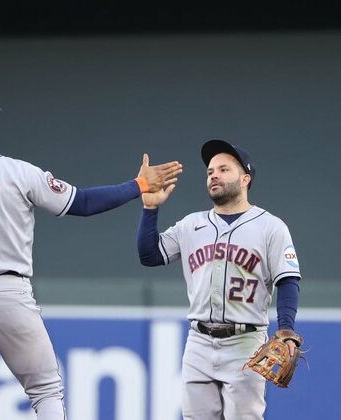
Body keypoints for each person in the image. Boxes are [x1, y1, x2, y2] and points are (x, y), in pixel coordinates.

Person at [0, 85, 182, 419]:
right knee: (45, 390)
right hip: (7, 291)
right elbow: (81, 203)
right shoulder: (17, 172)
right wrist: (138, 185)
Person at [137, 139, 302, 420]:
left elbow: (287, 280)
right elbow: (150, 255)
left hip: (245, 343)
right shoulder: (191, 224)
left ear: (245, 178)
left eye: (224, 169)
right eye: (210, 171)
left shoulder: (270, 226)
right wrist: (150, 209)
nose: (213, 175)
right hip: (198, 341)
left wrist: (286, 330)